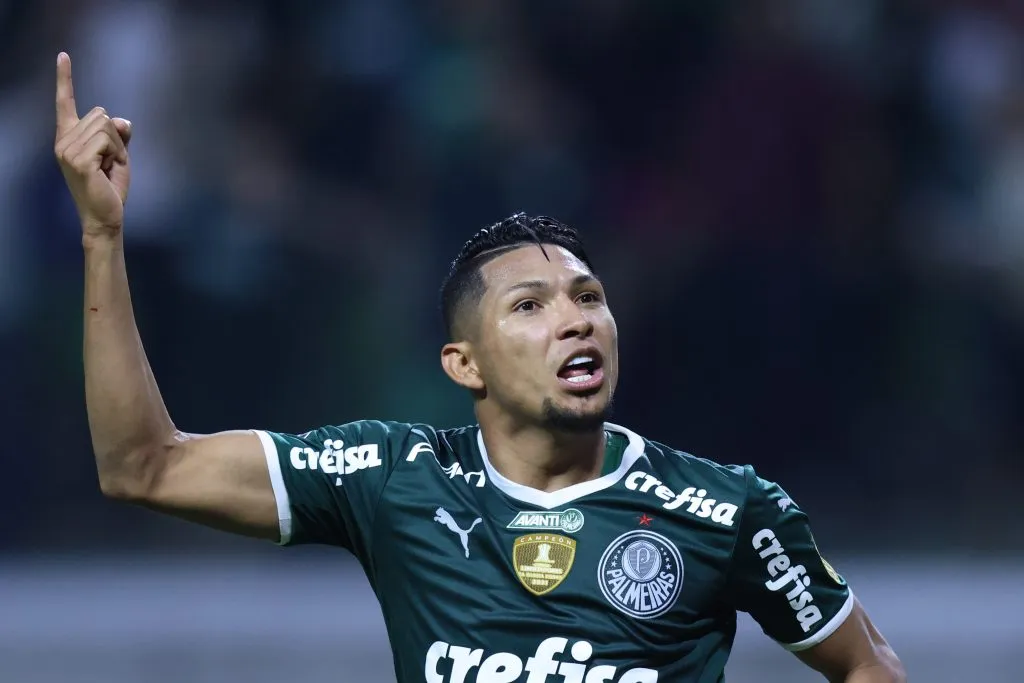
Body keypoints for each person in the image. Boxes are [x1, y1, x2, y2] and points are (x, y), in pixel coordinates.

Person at [54, 51, 906, 683]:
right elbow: (144, 466)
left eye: (588, 295)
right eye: (530, 306)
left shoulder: (726, 507)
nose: (575, 319)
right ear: (465, 364)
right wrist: (102, 238)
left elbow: (869, 666)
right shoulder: (394, 477)